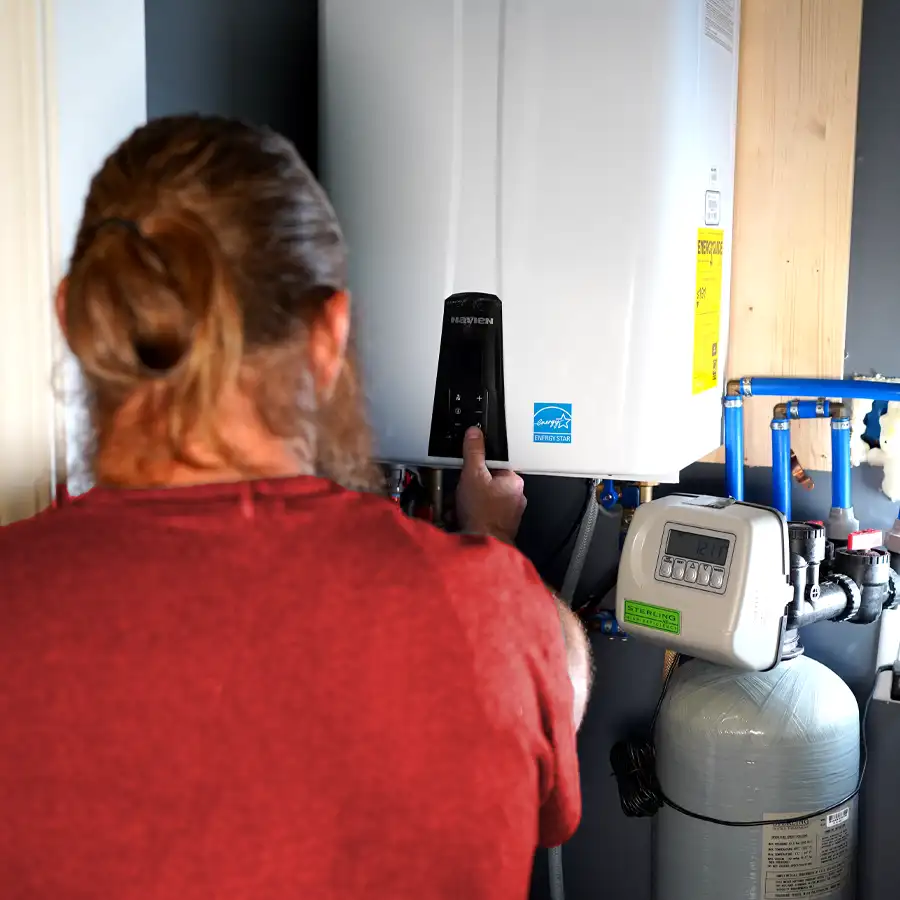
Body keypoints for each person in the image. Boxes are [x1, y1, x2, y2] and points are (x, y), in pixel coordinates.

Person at [0, 114, 591, 899]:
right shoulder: (489, 615)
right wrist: (490, 552)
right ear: (328, 335)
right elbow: (557, 684)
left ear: (75, 316)